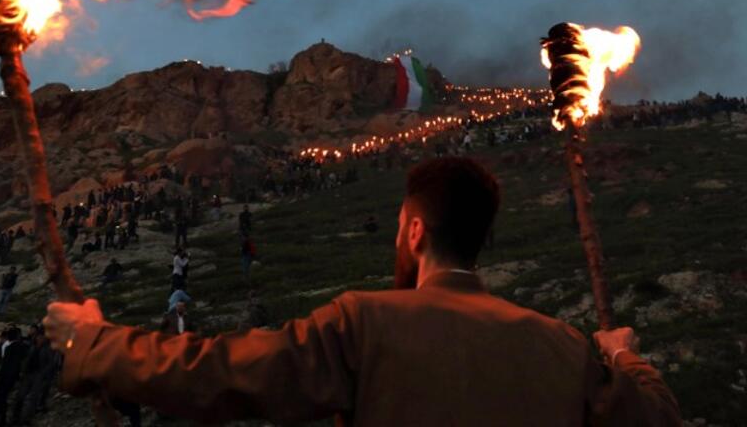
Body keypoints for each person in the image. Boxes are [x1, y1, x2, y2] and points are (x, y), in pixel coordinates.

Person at [44, 157, 681, 425]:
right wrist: (622, 353)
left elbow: (216, 373)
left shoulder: (365, 323)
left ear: (412, 230)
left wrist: (94, 342)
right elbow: (658, 421)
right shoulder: (567, 348)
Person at [0, 326, 28, 427]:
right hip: (12, 378)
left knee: (0, 400)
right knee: (2, 400)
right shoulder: (23, 347)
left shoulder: (9, 348)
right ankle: (0, 421)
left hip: (5, 378)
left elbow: (5, 365)